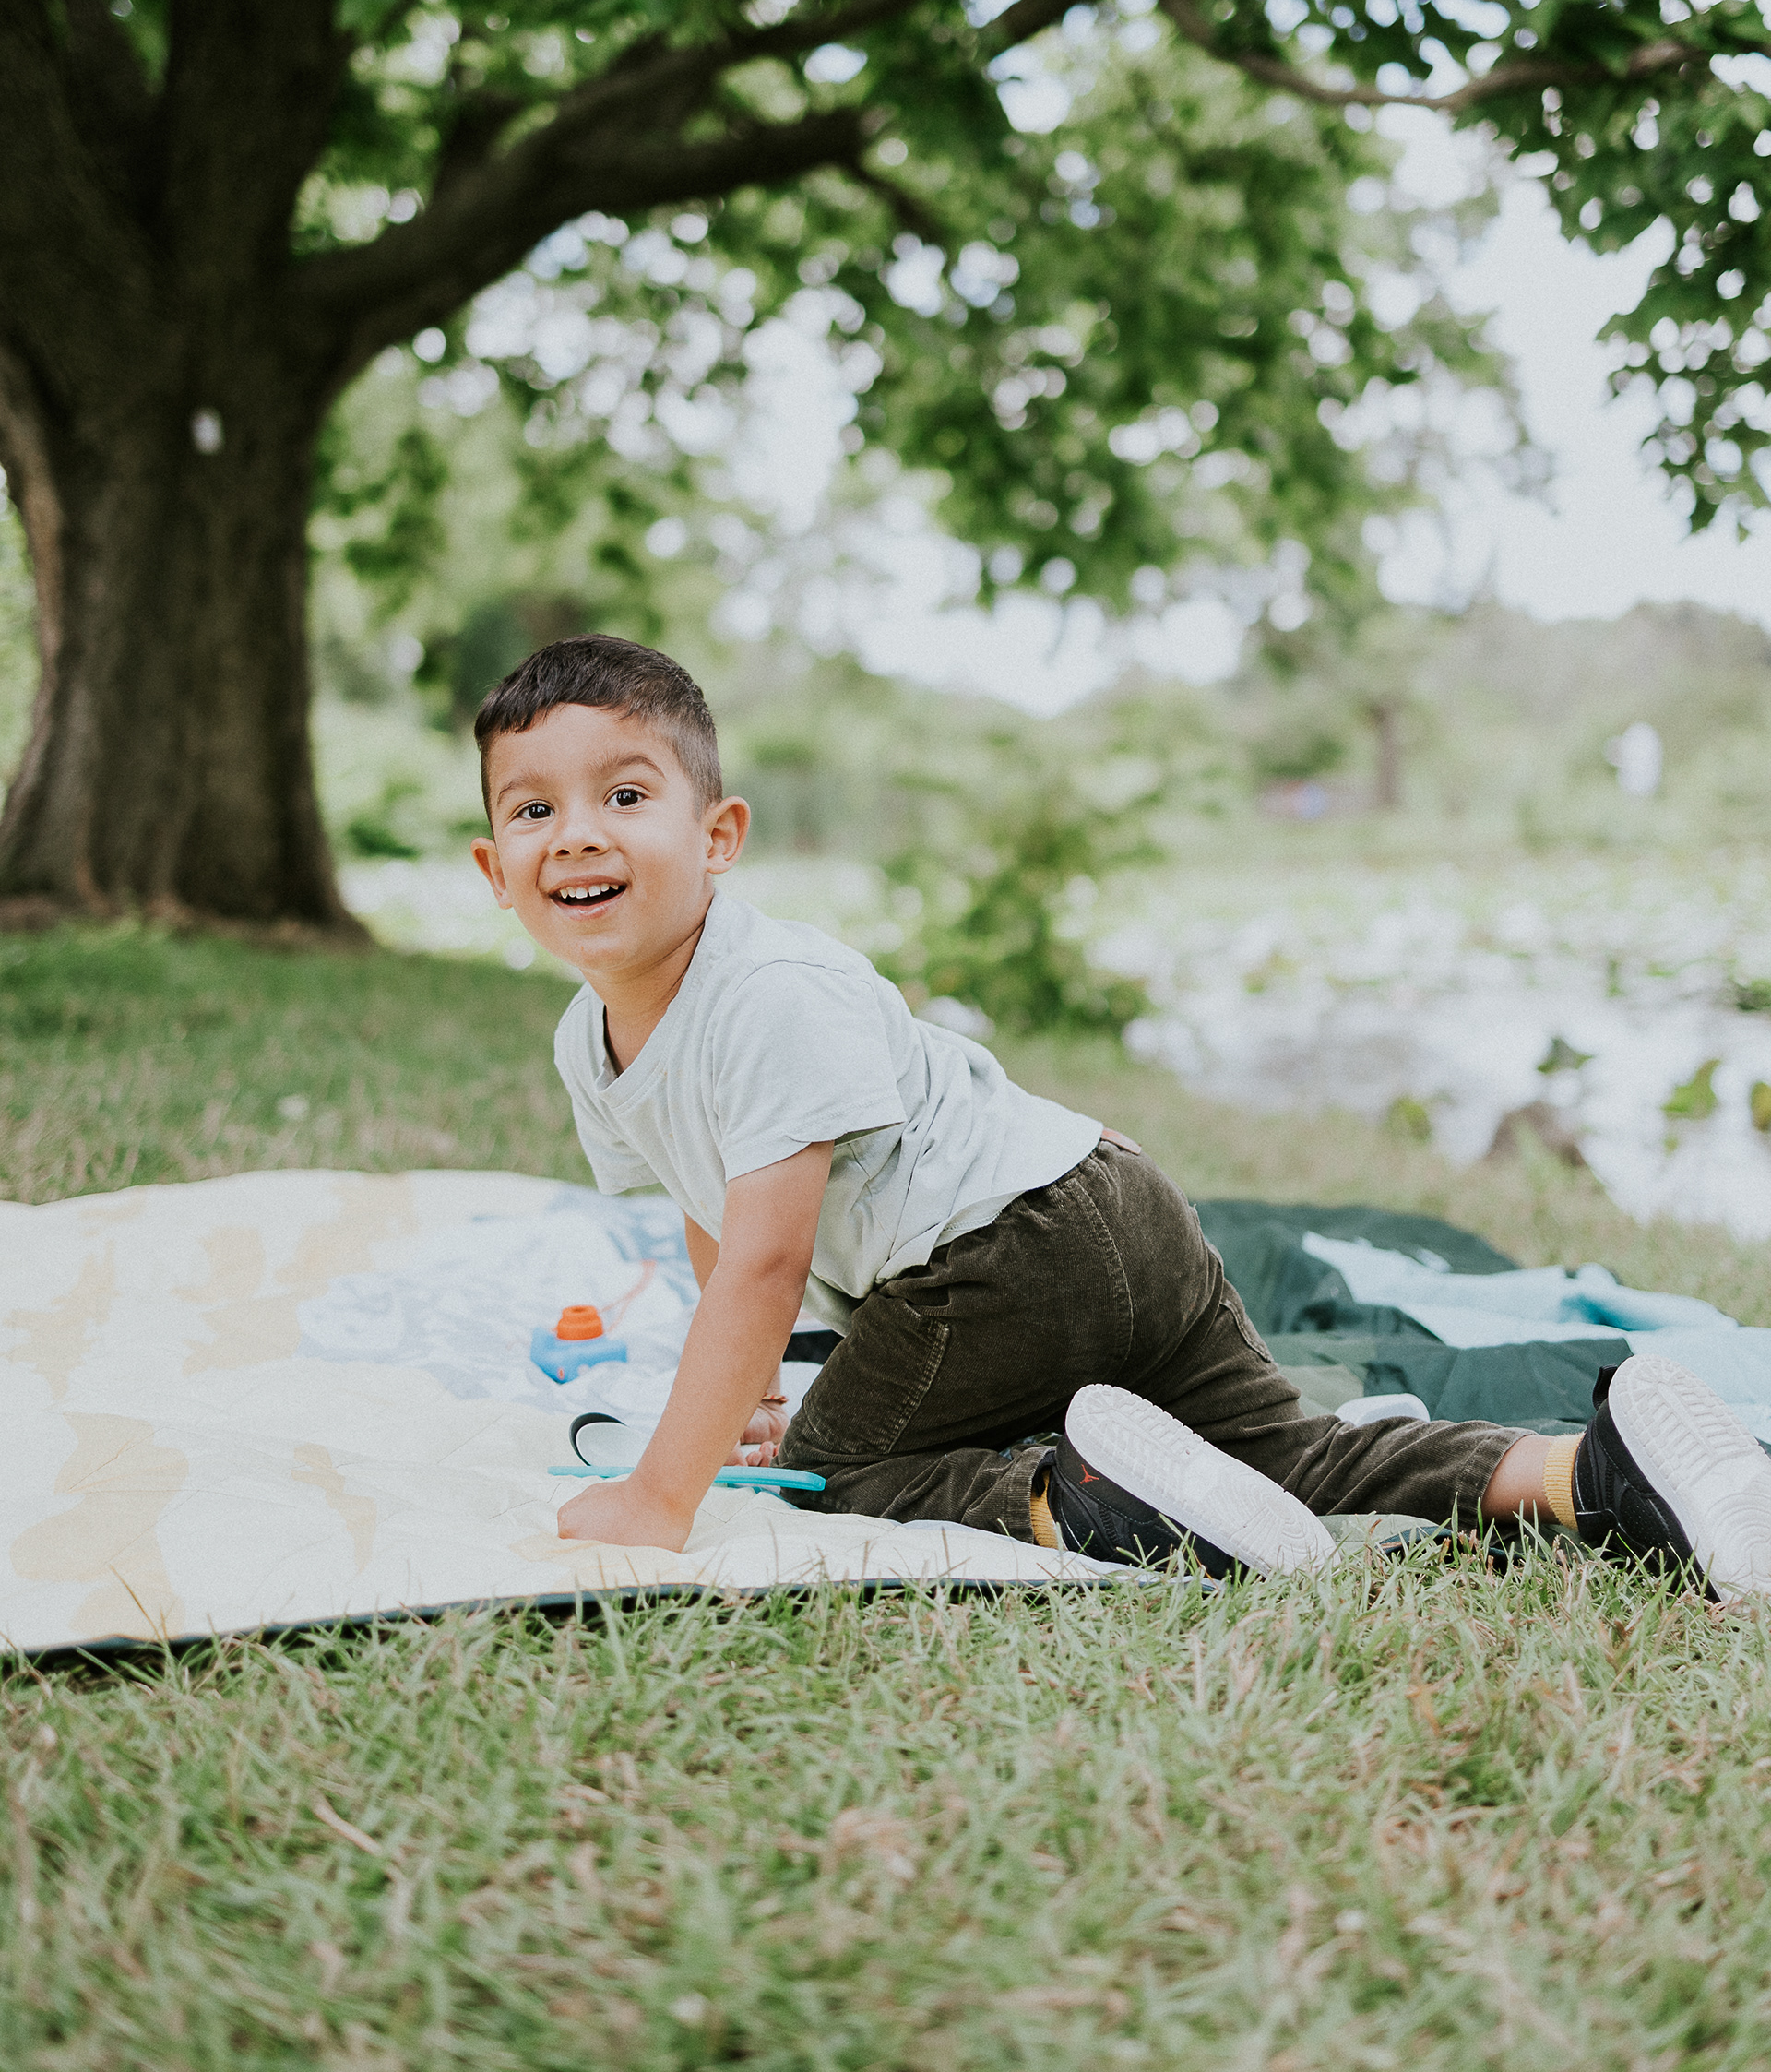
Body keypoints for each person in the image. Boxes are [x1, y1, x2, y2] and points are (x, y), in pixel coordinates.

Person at [470, 634, 1771, 1597]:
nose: (577, 835)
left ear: (719, 835)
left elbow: (765, 1260)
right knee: (1284, 1453)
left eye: (626, 796)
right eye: (536, 810)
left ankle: (1081, 1501)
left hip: (997, 1255)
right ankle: (1590, 1473)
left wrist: (663, 1491)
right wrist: (748, 1387)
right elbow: (713, 1213)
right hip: (1116, 1207)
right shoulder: (595, 1041)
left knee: (840, 1467)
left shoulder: (764, 994)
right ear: (494, 870)